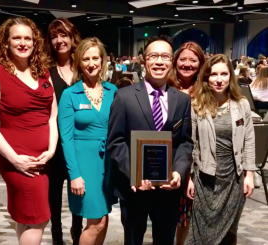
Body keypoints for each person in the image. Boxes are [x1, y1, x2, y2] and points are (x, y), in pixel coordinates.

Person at [0, 17, 58, 244]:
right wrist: (15, 159)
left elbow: (52, 116)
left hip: (43, 158)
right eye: (16, 38)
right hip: (16, 157)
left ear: (35, 43)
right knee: (38, 218)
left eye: (27, 38)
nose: (23, 43)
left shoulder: (43, 72)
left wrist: (51, 149)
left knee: (26, 216)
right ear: (6, 42)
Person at [107, 35, 193, 245]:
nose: (159, 62)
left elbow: (185, 142)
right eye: (153, 56)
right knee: (134, 240)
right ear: (144, 60)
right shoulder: (124, 96)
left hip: (168, 190)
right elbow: (115, 141)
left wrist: (178, 171)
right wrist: (133, 173)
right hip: (135, 188)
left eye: (165, 56)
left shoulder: (181, 100)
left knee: (165, 240)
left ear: (171, 62)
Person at [186, 54, 255, 245]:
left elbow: (249, 140)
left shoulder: (242, 105)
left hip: (234, 177)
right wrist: (189, 177)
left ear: (231, 76)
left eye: (224, 74)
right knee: (200, 232)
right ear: (206, 77)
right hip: (205, 177)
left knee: (229, 231)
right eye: (213, 74)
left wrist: (249, 175)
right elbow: (191, 143)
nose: (218, 80)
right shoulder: (197, 105)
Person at [58, 37, 118, 245]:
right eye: (86, 59)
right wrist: (74, 174)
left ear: (102, 61)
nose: (91, 63)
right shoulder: (70, 94)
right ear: (78, 63)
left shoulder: (113, 91)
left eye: (95, 58)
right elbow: (66, 138)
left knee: (104, 217)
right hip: (84, 166)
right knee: (97, 222)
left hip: (108, 164)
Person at [45, 17, 82, 245]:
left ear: (72, 37)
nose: (60, 40)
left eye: (64, 35)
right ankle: (56, 235)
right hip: (55, 142)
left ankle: (77, 232)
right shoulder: (46, 71)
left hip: (81, 142)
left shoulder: (83, 68)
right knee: (54, 193)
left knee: (78, 192)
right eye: (54, 36)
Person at [171, 41, 205, 245]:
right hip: (173, 158)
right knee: (175, 213)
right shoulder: (166, 87)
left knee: (193, 214)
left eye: (193, 60)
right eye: (183, 59)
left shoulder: (207, 90)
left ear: (200, 63)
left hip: (200, 160)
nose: (187, 64)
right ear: (175, 62)